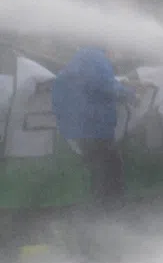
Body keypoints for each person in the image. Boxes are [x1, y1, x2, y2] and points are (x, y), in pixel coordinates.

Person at [51, 47, 135, 212]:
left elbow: (97, 83)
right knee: (110, 166)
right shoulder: (96, 58)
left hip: (78, 126)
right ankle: (110, 210)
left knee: (99, 166)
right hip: (93, 126)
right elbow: (105, 85)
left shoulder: (81, 59)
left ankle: (100, 208)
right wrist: (131, 95)